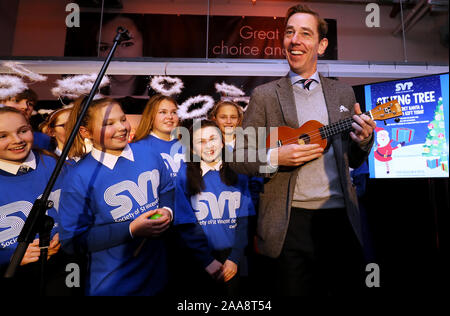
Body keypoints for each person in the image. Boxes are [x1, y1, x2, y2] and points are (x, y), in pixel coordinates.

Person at [229, 4, 376, 296]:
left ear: (321, 45)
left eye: (305, 34)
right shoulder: (265, 95)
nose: (294, 39)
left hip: (340, 219)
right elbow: (237, 157)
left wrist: (364, 140)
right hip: (288, 223)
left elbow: (354, 156)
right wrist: (274, 157)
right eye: (289, 32)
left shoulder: (343, 93)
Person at [58, 97, 174, 296]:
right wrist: (130, 229)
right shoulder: (78, 177)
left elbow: (167, 189)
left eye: (122, 119)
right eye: (108, 124)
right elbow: (72, 241)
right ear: (86, 132)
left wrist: (167, 210)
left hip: (159, 276)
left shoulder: (148, 152)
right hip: (114, 285)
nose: (121, 128)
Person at [174, 120, 254, 296]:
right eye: (201, 141)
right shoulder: (183, 176)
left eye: (213, 138)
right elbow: (185, 224)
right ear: (193, 149)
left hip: (235, 256)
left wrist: (235, 257)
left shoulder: (239, 173)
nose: (209, 145)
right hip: (200, 258)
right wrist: (206, 260)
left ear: (223, 141)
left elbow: (244, 220)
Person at [0, 106, 68, 296]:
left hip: (63, 271)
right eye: (2, 136)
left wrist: (67, 234)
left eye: (23, 131)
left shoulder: (54, 163)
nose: (17, 140)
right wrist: (10, 257)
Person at [133, 94, 184, 177]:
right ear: (151, 116)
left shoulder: (186, 146)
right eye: (163, 112)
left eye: (174, 112)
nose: (170, 117)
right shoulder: (138, 147)